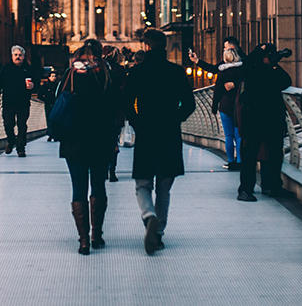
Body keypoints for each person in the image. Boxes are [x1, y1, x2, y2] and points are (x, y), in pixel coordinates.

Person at [125, 28, 196, 255]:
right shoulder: (175, 72)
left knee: (142, 184)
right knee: (164, 187)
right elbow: (189, 104)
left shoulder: (137, 72)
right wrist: (175, 118)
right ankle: (159, 233)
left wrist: (137, 122)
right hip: (169, 133)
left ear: (146, 46)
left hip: (146, 133)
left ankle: (149, 216)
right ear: (164, 46)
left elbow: (126, 103)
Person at [58, 39, 118, 255]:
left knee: (78, 188)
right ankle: (97, 235)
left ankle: (83, 241)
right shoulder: (105, 75)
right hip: (100, 140)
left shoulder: (70, 75)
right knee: (99, 186)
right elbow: (115, 108)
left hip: (74, 140)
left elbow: (57, 102)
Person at [237, 43, 292, 202]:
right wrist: (261, 55)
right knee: (251, 155)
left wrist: (273, 64)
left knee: (273, 154)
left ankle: (271, 185)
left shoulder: (270, 71)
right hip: (255, 118)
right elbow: (248, 66)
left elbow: (286, 81)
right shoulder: (251, 69)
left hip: (269, 118)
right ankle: (247, 189)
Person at [188, 37, 245, 170]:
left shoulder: (223, 71)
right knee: (239, 135)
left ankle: (231, 161)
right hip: (240, 105)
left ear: (231, 48)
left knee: (228, 136)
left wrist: (214, 107)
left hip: (225, 106)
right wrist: (197, 60)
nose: (224, 49)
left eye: (225, 47)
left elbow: (218, 89)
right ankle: (241, 161)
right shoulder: (243, 67)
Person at [0, 45, 37, 157]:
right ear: (12, 56)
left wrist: (33, 86)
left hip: (23, 103)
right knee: (8, 124)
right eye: (16, 55)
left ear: (23, 57)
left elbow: (36, 82)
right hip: (8, 102)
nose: (18, 57)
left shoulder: (28, 68)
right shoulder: (6, 68)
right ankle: (11, 141)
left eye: (20, 55)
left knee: (22, 125)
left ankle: (20, 148)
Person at [103, 46, 128, 182]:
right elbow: (125, 91)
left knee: (102, 140)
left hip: (100, 112)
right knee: (113, 140)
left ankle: (103, 168)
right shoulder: (120, 70)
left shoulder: (99, 69)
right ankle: (112, 170)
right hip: (116, 111)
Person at [39, 68, 59, 141]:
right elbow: (39, 95)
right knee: (49, 119)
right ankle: (51, 134)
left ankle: (55, 134)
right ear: (49, 77)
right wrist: (46, 100)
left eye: (55, 76)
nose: (54, 78)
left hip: (56, 104)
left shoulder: (58, 85)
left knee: (55, 120)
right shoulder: (45, 86)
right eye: (52, 76)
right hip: (48, 104)